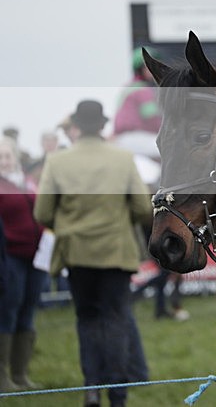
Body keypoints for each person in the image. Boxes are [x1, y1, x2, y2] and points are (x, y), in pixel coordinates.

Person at [33, 100, 153, 407]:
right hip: (116, 253)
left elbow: (43, 213)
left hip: (76, 254)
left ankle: (91, 388)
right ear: (102, 125)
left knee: (87, 320)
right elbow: (143, 209)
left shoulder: (57, 162)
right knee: (115, 320)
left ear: (76, 125)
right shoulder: (123, 159)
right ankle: (118, 395)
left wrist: (69, 226)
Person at [0, 137, 46, 392]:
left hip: (35, 257)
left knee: (27, 311)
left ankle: (21, 374)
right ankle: (2, 376)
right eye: (0, 157)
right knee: (7, 311)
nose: (4, 161)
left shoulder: (26, 182)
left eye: (7, 156)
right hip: (10, 256)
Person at [113, 47, 162, 160]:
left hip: (126, 139)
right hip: (136, 137)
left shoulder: (130, 87)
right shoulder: (142, 90)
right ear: (140, 69)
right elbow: (153, 119)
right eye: (150, 66)